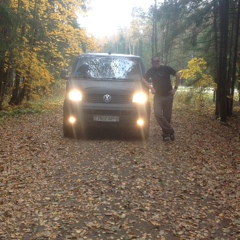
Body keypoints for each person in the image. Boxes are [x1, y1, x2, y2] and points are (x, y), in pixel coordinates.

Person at [142, 56, 180, 141]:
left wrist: (175, 88)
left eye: (157, 61)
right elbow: (143, 79)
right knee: (157, 114)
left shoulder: (166, 68)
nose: (156, 62)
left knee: (167, 117)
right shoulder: (151, 71)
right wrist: (151, 88)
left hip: (168, 96)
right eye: (154, 61)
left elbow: (177, 74)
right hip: (158, 97)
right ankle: (170, 130)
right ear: (152, 63)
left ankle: (166, 135)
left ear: (160, 61)